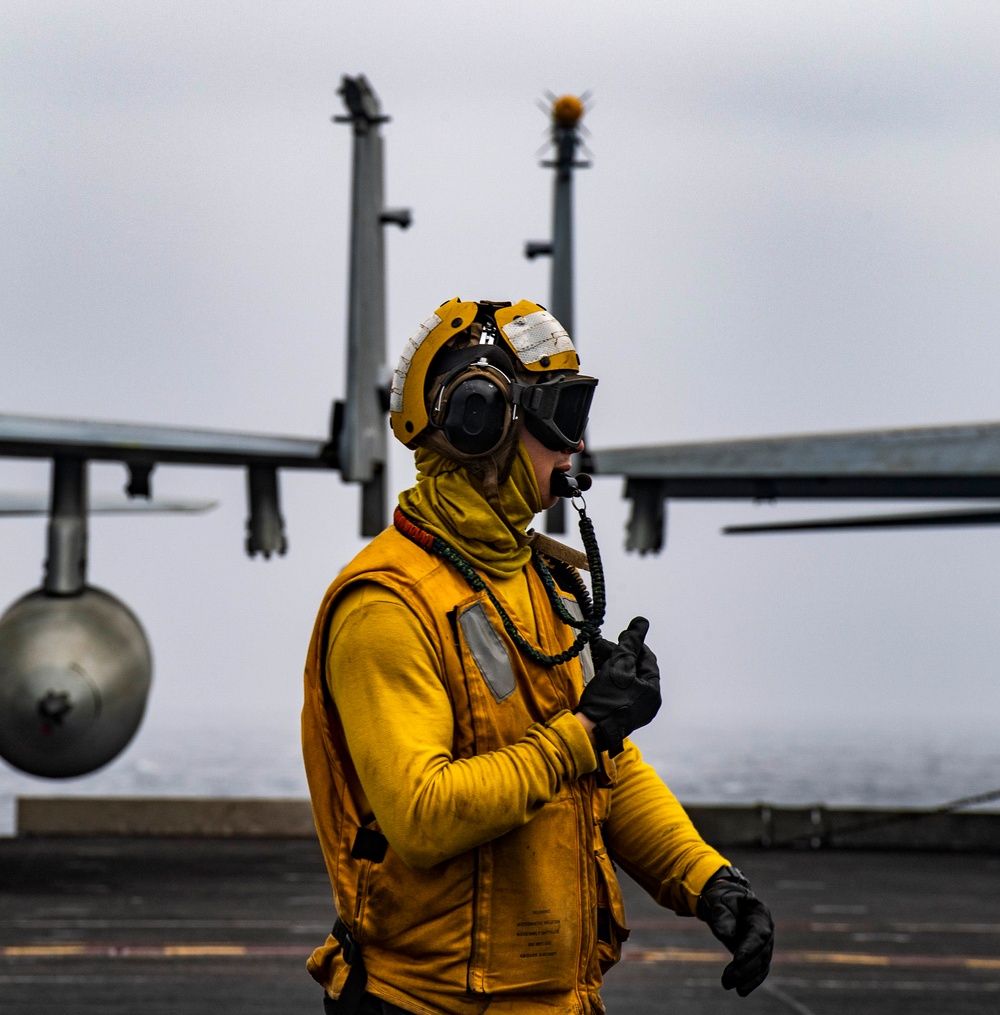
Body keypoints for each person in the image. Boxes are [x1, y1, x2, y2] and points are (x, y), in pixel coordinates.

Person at [302, 298, 773, 1015]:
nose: (574, 446)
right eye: (561, 418)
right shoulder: (386, 605)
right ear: (481, 420)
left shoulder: (541, 583)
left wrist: (711, 882)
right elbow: (423, 814)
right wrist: (582, 731)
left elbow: (603, 773)